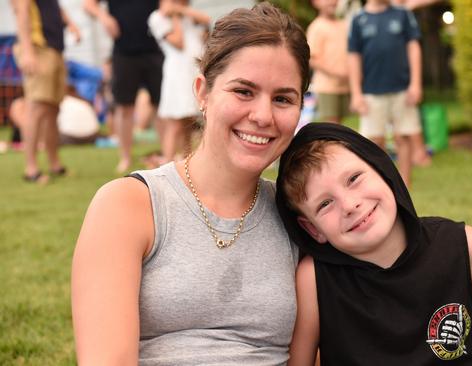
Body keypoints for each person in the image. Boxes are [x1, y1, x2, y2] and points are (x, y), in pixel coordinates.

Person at [71, 3, 310, 364]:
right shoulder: (128, 206)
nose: (263, 116)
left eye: (282, 99)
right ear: (202, 92)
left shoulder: (300, 216)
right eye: (244, 91)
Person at [275, 123, 472, 365]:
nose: (350, 205)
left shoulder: (468, 248)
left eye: (354, 179)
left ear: (381, 168)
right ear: (312, 229)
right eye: (325, 204)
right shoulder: (314, 280)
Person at [348, 0, 427, 186]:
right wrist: (356, 92)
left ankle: (405, 185)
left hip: (402, 89)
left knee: (403, 136)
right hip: (371, 91)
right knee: (374, 141)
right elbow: (353, 57)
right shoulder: (358, 20)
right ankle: (382, 182)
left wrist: (415, 83)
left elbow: (414, 48)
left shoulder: (402, 14)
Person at [83, 0, 163, 173]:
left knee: (161, 106)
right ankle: (125, 158)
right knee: (124, 107)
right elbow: (88, 4)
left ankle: (166, 155)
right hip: (123, 52)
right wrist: (104, 17)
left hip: (154, 48)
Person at [11, 0, 80, 183]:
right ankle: (31, 168)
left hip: (54, 48)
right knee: (37, 107)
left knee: (52, 109)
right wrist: (27, 50)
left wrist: (71, 25)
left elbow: (54, 6)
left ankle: (55, 164)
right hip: (37, 47)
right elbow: (22, 11)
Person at [148, 0, 210, 164]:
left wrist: (179, 10)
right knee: (175, 122)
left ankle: (187, 160)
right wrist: (175, 16)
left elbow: (206, 19)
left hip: (192, 70)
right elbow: (178, 42)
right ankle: (167, 161)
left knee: (189, 122)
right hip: (177, 73)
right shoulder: (157, 18)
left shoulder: (186, 12)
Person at [306, 0, 349, 124]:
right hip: (326, 87)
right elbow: (312, 59)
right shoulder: (317, 27)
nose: (332, 2)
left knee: (341, 126)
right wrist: (336, 73)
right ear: (316, 3)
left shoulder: (343, 25)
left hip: (344, 86)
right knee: (332, 125)